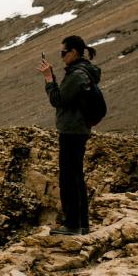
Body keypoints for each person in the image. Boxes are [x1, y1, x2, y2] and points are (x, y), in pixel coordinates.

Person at [37, 34, 101, 235]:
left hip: (72, 130)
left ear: (73, 52)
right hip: (78, 129)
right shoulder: (83, 72)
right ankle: (82, 224)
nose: (62, 56)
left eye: (64, 52)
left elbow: (57, 99)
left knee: (68, 177)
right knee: (76, 176)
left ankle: (72, 224)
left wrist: (49, 79)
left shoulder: (77, 75)